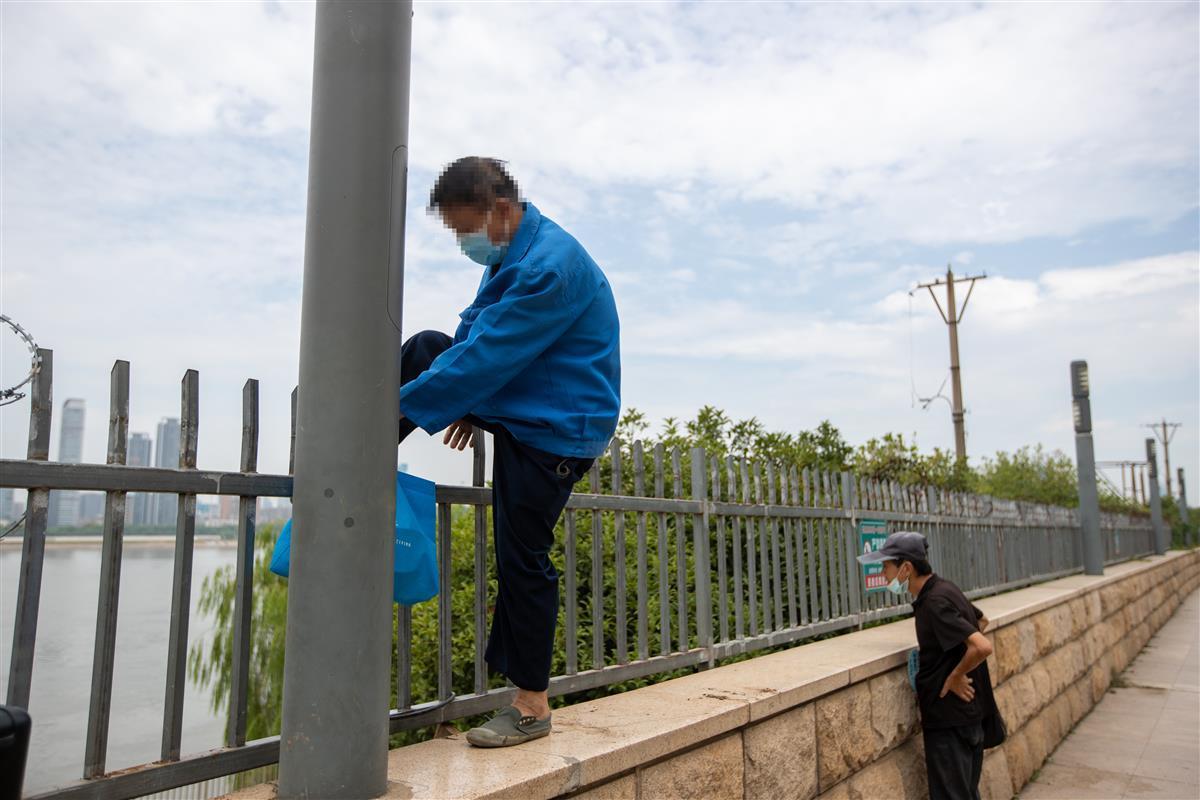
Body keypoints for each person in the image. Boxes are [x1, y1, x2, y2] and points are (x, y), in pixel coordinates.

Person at [398, 157, 621, 747]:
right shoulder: (512, 252)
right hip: (524, 398)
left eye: (464, 229)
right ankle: (364, 458)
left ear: (499, 210)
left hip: (557, 428)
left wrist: (424, 402)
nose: (462, 243)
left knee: (522, 557)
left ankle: (531, 707)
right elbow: (474, 331)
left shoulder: (550, 266)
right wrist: (460, 399)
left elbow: (488, 356)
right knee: (425, 349)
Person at [857, 531, 996, 800]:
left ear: (906, 568)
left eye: (886, 566)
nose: (883, 573)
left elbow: (982, 646)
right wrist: (952, 659)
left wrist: (955, 675)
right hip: (967, 718)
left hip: (951, 722)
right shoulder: (944, 589)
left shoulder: (934, 602)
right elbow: (981, 620)